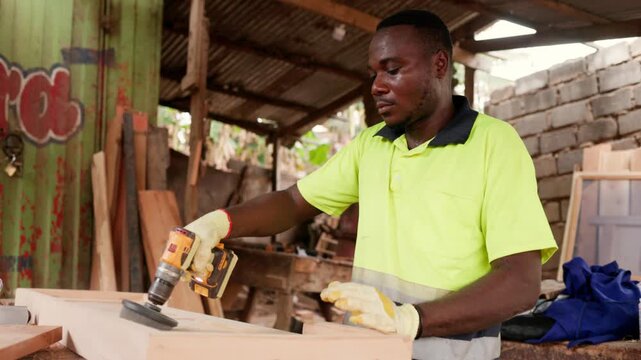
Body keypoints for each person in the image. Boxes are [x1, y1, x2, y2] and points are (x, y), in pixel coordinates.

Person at [185, 9, 557, 360]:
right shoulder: (372, 145)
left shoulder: (494, 145)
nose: (377, 86)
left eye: (392, 70)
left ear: (439, 65)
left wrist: (409, 319)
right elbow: (294, 202)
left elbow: (520, 283)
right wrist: (218, 223)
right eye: (374, 73)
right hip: (367, 349)